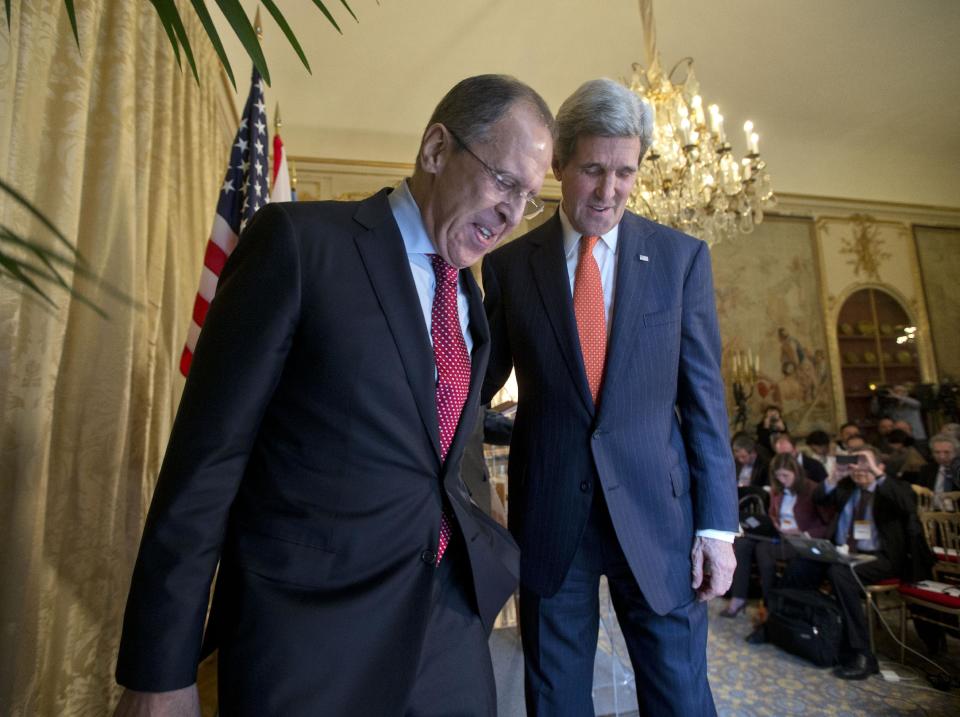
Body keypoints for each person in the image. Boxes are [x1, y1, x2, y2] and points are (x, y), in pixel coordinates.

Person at [113, 75, 556, 717]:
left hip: (446, 631)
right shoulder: (297, 246)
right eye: (504, 182)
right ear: (437, 148)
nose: (514, 214)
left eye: (530, 199)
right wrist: (160, 668)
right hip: (310, 636)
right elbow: (205, 467)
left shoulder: (470, 299)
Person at [482, 78, 738, 716]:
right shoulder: (511, 267)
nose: (608, 190)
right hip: (551, 521)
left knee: (680, 696)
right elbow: (473, 387)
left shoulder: (681, 260)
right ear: (560, 164)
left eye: (625, 171)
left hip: (660, 522)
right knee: (557, 698)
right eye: (592, 169)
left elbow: (705, 403)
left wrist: (717, 528)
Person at [781, 446, 933, 680]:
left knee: (840, 574)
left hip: (881, 558)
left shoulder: (894, 489)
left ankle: (862, 653)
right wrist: (836, 474)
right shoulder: (847, 487)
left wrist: (874, 470)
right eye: (857, 464)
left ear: (879, 467)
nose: (860, 470)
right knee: (801, 565)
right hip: (842, 553)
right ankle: (796, 629)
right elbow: (819, 497)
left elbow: (907, 504)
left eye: (867, 465)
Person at [725, 453, 833, 622]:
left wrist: (802, 533)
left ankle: (770, 604)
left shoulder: (813, 489)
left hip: (802, 539)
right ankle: (738, 596)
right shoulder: (778, 490)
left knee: (763, 549)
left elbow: (827, 524)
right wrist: (773, 524)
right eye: (778, 476)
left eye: (785, 475)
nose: (782, 480)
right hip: (779, 534)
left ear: (796, 473)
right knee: (742, 543)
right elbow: (773, 514)